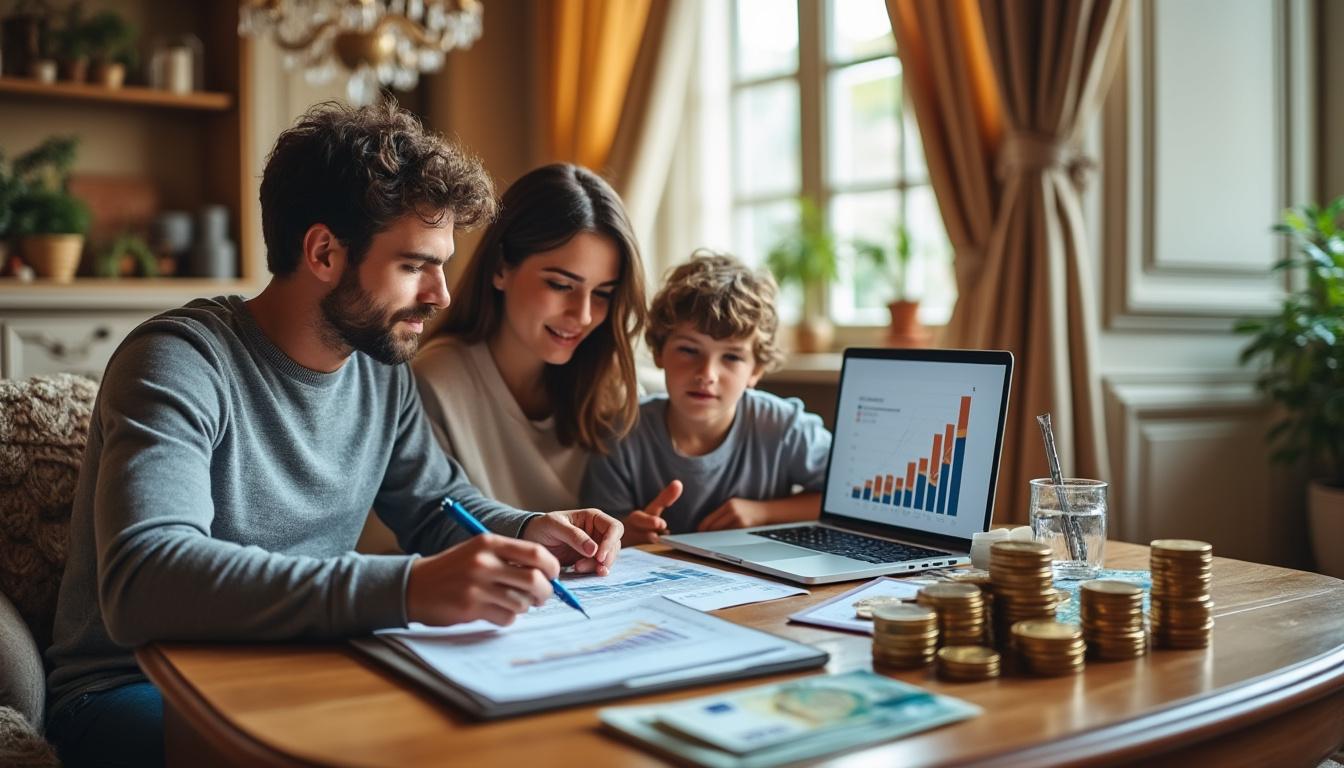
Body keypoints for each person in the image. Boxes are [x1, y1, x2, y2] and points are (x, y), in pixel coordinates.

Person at [43, 102, 623, 768]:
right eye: (414, 266)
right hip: (131, 691)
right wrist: (405, 589)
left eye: (441, 265)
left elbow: (439, 507)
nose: (440, 294)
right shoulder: (179, 360)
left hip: (297, 669)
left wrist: (529, 530)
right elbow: (144, 580)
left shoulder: (379, 368)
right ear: (323, 251)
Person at [413, 164, 648, 511]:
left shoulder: (612, 384)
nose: (583, 315)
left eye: (602, 293)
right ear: (500, 268)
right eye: (560, 285)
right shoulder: (434, 385)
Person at [581, 252, 832, 545]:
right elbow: (595, 531)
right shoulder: (621, 434)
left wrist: (764, 513)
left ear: (756, 370)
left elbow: (849, 500)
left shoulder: (784, 427)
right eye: (689, 350)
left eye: (732, 357)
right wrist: (626, 533)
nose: (707, 373)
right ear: (660, 351)